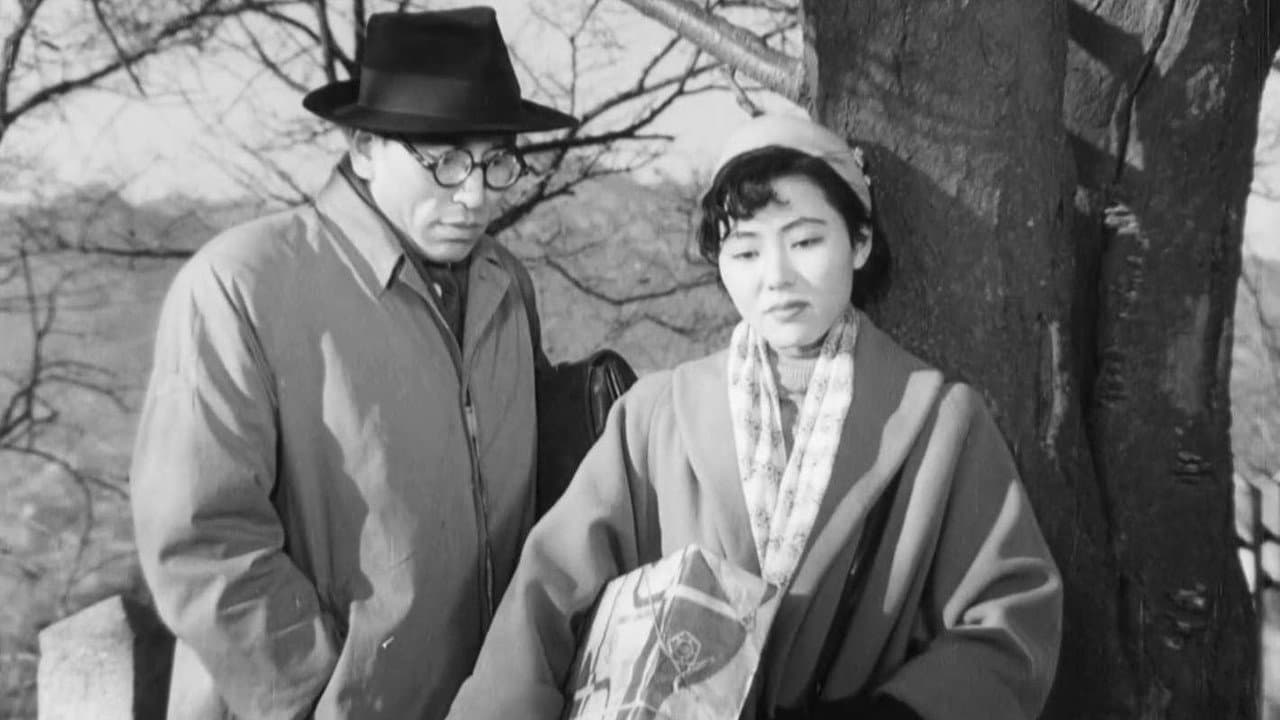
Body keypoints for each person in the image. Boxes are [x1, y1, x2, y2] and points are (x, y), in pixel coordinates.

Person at [446, 114, 1063, 720]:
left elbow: (1011, 622)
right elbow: (545, 598)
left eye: (806, 242)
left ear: (860, 242)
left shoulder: (940, 424)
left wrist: (898, 711)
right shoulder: (655, 417)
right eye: (745, 250)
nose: (776, 278)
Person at [129, 7, 576, 718]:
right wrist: (323, 697)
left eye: (497, 160)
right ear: (364, 147)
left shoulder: (504, 285)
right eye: (446, 160)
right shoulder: (243, 284)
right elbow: (202, 541)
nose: (475, 195)